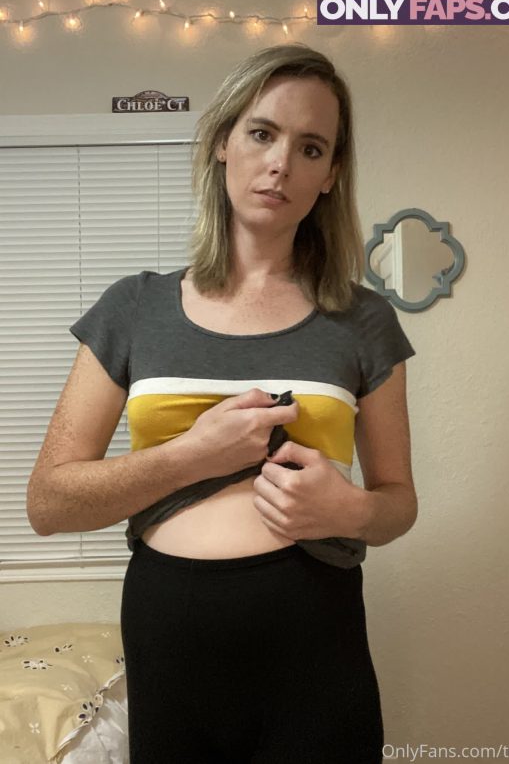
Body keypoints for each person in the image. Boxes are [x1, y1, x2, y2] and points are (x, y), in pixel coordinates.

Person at [27, 43, 418, 763]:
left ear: (331, 174)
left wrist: (351, 510)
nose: (281, 164)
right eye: (262, 133)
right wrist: (191, 456)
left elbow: (400, 503)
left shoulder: (363, 320)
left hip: (316, 629)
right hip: (170, 629)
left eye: (311, 148)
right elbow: (49, 504)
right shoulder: (134, 308)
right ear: (221, 142)